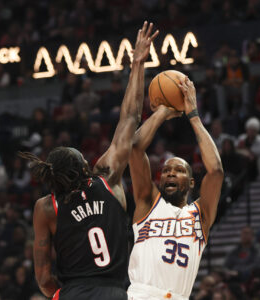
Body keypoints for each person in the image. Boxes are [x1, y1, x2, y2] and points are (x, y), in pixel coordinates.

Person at [20, 22, 159, 300]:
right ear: (84, 167)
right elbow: (130, 118)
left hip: (73, 293)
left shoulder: (47, 207)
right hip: (117, 292)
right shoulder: (106, 179)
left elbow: (45, 278)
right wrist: (138, 64)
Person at [127, 77, 224, 299]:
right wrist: (161, 112)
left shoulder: (201, 215)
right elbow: (134, 149)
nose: (170, 172)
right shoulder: (147, 203)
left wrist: (194, 116)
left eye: (179, 170)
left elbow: (216, 171)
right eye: (166, 170)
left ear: (191, 183)